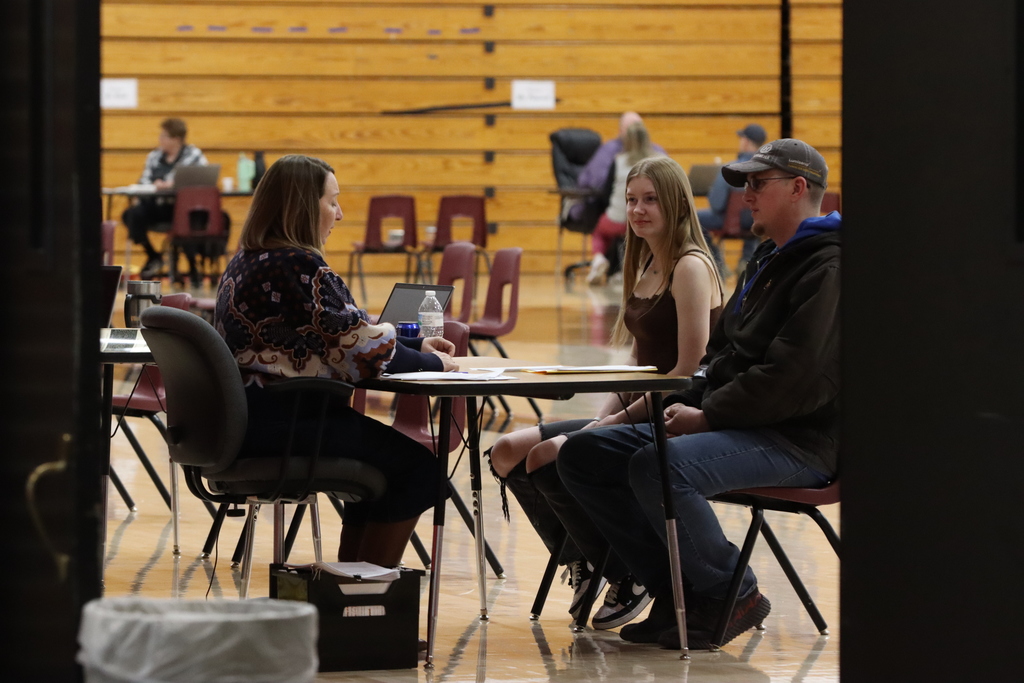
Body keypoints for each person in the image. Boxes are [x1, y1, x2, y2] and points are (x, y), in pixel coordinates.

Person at [559, 138, 840, 650]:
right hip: (743, 423)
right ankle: (676, 594)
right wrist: (685, 404)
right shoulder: (769, 260)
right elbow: (719, 359)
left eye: (757, 183)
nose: (745, 196)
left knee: (656, 463)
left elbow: (791, 380)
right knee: (585, 453)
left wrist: (706, 416)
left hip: (796, 440)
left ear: (799, 188)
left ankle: (732, 591)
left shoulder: (829, 268)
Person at [489, 156, 723, 629]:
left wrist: (610, 424)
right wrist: (604, 413)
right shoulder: (646, 262)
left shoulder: (690, 267)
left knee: (553, 453)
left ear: (677, 202)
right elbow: (638, 367)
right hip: (643, 402)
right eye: (632, 199)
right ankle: (588, 560)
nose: (637, 210)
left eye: (650, 199)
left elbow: (685, 370)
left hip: (679, 409)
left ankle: (627, 572)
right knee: (507, 450)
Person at [214, 154, 458, 567]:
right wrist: (436, 366)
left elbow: (339, 335)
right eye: (332, 202)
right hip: (287, 425)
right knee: (420, 473)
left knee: (384, 479)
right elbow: (360, 353)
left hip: (244, 422)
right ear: (304, 208)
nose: (339, 214)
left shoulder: (245, 260)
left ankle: (347, 592)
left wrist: (412, 350)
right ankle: (360, 596)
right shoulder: (299, 263)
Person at [570, 112, 667, 279]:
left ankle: (600, 259)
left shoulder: (619, 160)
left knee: (600, 231)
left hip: (620, 220)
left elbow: (606, 191)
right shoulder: (661, 159)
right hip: (655, 221)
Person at [121, 118, 221, 280]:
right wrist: (156, 184)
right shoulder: (154, 157)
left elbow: (203, 179)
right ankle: (153, 256)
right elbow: (143, 181)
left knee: (192, 220)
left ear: (177, 139)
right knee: (131, 215)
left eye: (164, 136)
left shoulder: (193, 155)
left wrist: (173, 185)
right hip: (158, 205)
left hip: (181, 208)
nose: (160, 140)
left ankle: (193, 266)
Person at [697, 123, 767, 277]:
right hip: (759, 223)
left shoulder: (730, 169)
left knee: (694, 218)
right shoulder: (767, 171)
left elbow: (716, 204)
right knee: (751, 221)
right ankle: (747, 259)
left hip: (729, 223)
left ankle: (716, 260)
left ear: (746, 142)